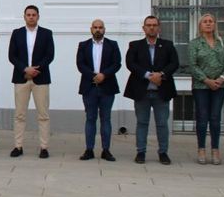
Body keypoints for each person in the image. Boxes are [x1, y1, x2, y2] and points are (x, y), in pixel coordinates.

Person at [123, 15, 179, 165]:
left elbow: (174, 63)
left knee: (162, 124)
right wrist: (149, 76)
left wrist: (161, 75)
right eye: (149, 25)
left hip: (162, 92)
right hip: (142, 92)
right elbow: (130, 63)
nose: (152, 27)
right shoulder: (135, 45)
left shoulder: (167, 45)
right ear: (144, 28)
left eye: (154, 25)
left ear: (159, 28)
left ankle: (163, 153)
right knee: (142, 123)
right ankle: (141, 152)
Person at [9, 5, 55, 159]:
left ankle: (44, 147)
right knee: (19, 114)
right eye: (28, 15)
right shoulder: (17, 33)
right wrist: (25, 69)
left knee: (43, 115)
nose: (31, 17)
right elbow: (12, 55)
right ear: (24, 17)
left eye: (33, 15)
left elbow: (50, 55)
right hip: (21, 77)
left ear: (38, 16)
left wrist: (36, 69)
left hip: (40, 78)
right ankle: (18, 146)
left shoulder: (46, 33)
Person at [189, 13, 224, 165]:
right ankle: (201, 149)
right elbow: (192, 65)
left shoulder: (223, 42)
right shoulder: (195, 43)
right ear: (200, 25)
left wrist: (222, 78)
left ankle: (215, 149)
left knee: (215, 118)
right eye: (205, 22)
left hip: (219, 86)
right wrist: (206, 80)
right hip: (201, 86)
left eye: (211, 21)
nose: (208, 24)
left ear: (215, 24)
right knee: (202, 117)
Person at [75, 19, 121, 161]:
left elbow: (117, 64)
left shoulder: (112, 45)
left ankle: (106, 150)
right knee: (90, 118)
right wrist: (94, 76)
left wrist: (104, 75)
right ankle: (89, 150)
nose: (98, 30)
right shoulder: (83, 45)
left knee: (106, 119)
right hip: (89, 87)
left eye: (100, 27)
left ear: (104, 29)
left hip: (108, 87)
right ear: (91, 29)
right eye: (95, 27)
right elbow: (80, 64)